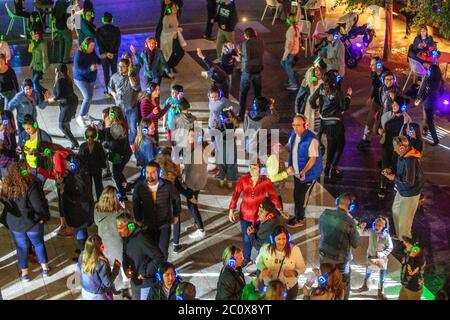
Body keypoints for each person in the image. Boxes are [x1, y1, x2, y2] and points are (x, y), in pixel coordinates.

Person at [0, 161, 50, 282]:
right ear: (25, 170)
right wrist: (43, 217)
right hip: (32, 222)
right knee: (38, 244)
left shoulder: (7, 185)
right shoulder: (31, 184)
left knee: (21, 247)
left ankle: (25, 274)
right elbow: (39, 206)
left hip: (15, 224)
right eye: (27, 167)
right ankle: (45, 270)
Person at [229, 162, 282, 266]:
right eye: (252, 168)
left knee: (259, 239)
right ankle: (247, 258)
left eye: (257, 169)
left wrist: (279, 208)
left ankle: (260, 260)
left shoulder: (266, 181)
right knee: (246, 237)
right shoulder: (243, 179)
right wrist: (231, 209)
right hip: (245, 216)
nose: (254, 171)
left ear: (260, 169)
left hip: (258, 218)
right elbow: (236, 194)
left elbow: (273, 196)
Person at [318, 192, 365, 300]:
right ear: (351, 206)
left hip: (323, 257)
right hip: (341, 262)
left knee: (324, 283)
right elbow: (355, 243)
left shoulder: (325, 214)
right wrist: (358, 230)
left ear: (338, 202)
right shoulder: (350, 222)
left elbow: (321, 231)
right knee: (342, 287)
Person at [132, 161, 181, 260]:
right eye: (147, 172)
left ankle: (163, 270)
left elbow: (176, 199)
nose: (149, 175)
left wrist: (176, 214)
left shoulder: (168, 186)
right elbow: (136, 203)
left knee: (163, 249)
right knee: (151, 249)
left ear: (158, 173)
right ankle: (153, 269)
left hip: (164, 224)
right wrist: (138, 219)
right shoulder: (140, 187)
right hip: (148, 224)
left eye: (152, 172)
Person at [310, 70, 352, 180]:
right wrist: (348, 96)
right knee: (340, 145)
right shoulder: (337, 91)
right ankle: (332, 169)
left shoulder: (322, 88)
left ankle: (327, 169)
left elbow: (311, 100)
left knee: (331, 146)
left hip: (325, 123)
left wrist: (316, 107)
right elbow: (344, 107)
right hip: (336, 124)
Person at [382, 136, 424, 240]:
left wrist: (393, 178)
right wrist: (391, 170)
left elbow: (409, 182)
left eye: (396, 148)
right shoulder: (403, 155)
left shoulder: (410, 159)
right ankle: (400, 236)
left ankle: (406, 244)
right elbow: (398, 168)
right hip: (402, 190)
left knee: (405, 221)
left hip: (410, 193)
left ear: (402, 148)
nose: (394, 150)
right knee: (395, 210)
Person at [116, 212, 165, 300]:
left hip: (145, 285)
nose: (118, 231)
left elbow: (159, 257)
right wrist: (126, 268)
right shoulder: (125, 237)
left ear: (130, 226)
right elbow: (124, 252)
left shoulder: (142, 238)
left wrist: (145, 272)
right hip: (135, 282)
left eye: (120, 228)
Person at [286, 114, 322, 227]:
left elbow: (313, 159)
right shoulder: (293, 134)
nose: (295, 128)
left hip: (308, 175)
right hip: (297, 172)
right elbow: (289, 146)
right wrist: (282, 148)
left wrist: (304, 171)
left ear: (305, 125)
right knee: (297, 194)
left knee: (301, 197)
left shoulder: (311, 139)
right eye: (294, 125)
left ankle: (300, 219)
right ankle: (298, 215)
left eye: (298, 125)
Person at [94, 186, 130, 297]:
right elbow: (130, 228)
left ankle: (114, 286)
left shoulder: (96, 208)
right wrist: (126, 211)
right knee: (123, 269)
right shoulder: (120, 213)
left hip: (104, 247)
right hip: (118, 247)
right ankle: (124, 288)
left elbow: (96, 223)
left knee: (110, 268)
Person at [57, 153, 94, 255]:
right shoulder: (78, 172)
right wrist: (64, 180)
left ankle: (83, 255)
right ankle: (84, 249)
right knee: (82, 231)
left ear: (72, 164)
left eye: (67, 163)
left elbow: (77, 195)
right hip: (81, 211)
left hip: (79, 211)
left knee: (80, 232)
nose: (65, 164)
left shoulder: (77, 177)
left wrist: (64, 192)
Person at [256, 226, 306, 300]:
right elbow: (258, 262)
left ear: (288, 238)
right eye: (278, 239)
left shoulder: (295, 250)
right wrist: (264, 269)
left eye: (284, 239)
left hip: (289, 288)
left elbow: (302, 268)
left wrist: (294, 273)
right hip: (270, 288)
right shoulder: (265, 248)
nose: (282, 242)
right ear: (273, 239)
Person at [378, 96, 412, 198]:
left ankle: (396, 185)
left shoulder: (406, 119)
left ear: (401, 106)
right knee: (385, 164)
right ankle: (382, 185)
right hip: (387, 144)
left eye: (396, 104)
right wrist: (380, 130)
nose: (393, 106)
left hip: (398, 148)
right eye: (393, 104)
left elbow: (409, 135)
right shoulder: (388, 116)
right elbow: (379, 126)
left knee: (396, 166)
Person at [356, 216, 393, 300]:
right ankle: (366, 286)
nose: (377, 226)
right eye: (376, 224)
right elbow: (362, 233)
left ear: (383, 226)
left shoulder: (386, 236)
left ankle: (381, 291)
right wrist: (361, 228)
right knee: (368, 272)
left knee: (382, 276)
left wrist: (383, 253)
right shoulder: (371, 231)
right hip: (370, 257)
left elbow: (390, 247)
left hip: (381, 260)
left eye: (379, 225)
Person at [357, 57, 390, 150]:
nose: (370, 66)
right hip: (376, 101)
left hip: (385, 105)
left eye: (372, 65)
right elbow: (373, 86)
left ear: (379, 65)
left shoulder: (387, 75)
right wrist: (371, 97)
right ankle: (366, 139)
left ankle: (386, 147)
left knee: (382, 125)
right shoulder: (374, 73)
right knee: (369, 120)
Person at [182, 128, 208, 239]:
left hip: (193, 183)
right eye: (190, 135)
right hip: (193, 181)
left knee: (192, 205)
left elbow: (196, 172)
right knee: (190, 204)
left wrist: (191, 189)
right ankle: (197, 224)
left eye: (193, 136)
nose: (190, 138)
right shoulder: (193, 147)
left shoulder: (197, 151)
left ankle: (201, 229)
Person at [108, 58, 141, 146]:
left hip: (132, 107)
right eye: (119, 66)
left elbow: (137, 88)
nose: (120, 68)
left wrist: (130, 76)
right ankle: (124, 143)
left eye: (123, 66)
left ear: (128, 67)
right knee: (121, 126)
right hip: (120, 108)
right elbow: (109, 88)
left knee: (133, 128)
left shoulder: (134, 75)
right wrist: (113, 94)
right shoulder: (115, 76)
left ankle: (131, 144)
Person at [102, 106, 132, 201]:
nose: (109, 116)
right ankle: (126, 187)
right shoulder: (121, 123)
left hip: (119, 156)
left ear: (115, 115)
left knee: (115, 175)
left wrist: (107, 126)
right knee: (118, 172)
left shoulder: (117, 126)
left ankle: (122, 195)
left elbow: (108, 142)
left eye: (111, 114)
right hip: (124, 153)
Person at [78, 234, 121, 300]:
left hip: (85, 291)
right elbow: (108, 283)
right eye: (101, 244)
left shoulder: (82, 255)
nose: (103, 246)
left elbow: (80, 271)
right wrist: (116, 268)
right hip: (97, 295)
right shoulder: (101, 263)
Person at [7, 79, 49, 144]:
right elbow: (9, 107)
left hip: (33, 121)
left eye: (30, 88)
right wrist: (7, 120)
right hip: (22, 123)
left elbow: (41, 106)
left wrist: (46, 100)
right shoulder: (19, 97)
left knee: (37, 136)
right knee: (23, 139)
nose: (28, 91)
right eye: (26, 89)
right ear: (23, 89)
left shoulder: (36, 94)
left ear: (32, 87)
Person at [48, 63, 79, 150]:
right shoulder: (67, 78)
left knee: (62, 125)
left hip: (67, 104)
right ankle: (67, 135)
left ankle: (75, 143)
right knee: (66, 121)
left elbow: (59, 95)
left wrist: (51, 100)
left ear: (56, 71)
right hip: (72, 101)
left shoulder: (60, 81)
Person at [73, 37, 101, 128]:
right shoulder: (79, 54)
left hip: (91, 78)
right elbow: (78, 69)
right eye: (91, 46)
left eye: (93, 46)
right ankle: (80, 116)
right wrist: (90, 69)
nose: (92, 48)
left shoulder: (92, 52)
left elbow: (97, 60)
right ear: (85, 45)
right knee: (87, 97)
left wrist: (103, 57)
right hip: (81, 79)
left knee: (90, 97)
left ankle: (85, 114)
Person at [238, 27, 264, 121]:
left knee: (243, 93)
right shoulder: (260, 41)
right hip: (258, 70)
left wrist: (240, 54)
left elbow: (246, 58)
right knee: (258, 93)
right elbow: (261, 53)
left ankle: (241, 114)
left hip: (248, 71)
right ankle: (259, 112)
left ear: (246, 35)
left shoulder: (245, 44)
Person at [415, 63, 444, 146]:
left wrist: (418, 99)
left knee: (428, 120)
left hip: (427, 103)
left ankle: (435, 139)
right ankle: (425, 131)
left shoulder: (427, 80)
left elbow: (422, 91)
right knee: (428, 119)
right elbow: (441, 92)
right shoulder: (440, 81)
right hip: (435, 104)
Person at [17, 114, 52, 182]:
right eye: (25, 129)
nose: (27, 131)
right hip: (27, 168)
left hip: (40, 169)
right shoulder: (23, 134)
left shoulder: (44, 136)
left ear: (35, 125)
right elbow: (20, 146)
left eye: (29, 128)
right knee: (27, 187)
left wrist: (37, 152)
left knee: (38, 187)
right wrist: (19, 150)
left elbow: (49, 151)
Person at [243, 96, 279, 163]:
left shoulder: (247, 114)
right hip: (261, 146)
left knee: (253, 165)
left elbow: (245, 129)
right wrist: (272, 108)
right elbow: (277, 118)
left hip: (249, 144)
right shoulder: (268, 119)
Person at [78, 126, 106, 201]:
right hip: (97, 169)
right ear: (96, 136)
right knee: (99, 185)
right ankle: (100, 200)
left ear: (85, 136)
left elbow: (79, 159)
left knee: (88, 186)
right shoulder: (98, 145)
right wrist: (103, 165)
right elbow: (103, 157)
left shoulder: (82, 146)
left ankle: (89, 200)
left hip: (86, 170)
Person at [97, 12, 121, 96]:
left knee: (106, 73)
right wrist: (113, 53)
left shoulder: (99, 30)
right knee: (115, 72)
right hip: (114, 55)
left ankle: (109, 90)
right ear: (112, 20)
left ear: (103, 20)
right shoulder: (116, 29)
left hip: (104, 55)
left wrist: (106, 53)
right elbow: (118, 43)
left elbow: (99, 44)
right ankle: (116, 88)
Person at [207, 85, 230, 174]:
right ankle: (217, 165)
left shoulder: (222, 102)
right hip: (211, 127)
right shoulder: (210, 98)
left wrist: (222, 120)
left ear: (219, 94)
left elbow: (228, 115)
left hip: (218, 129)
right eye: (212, 97)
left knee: (220, 149)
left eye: (215, 96)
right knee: (216, 148)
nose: (214, 99)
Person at [295, 65, 325, 132]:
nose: (318, 72)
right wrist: (297, 112)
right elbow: (298, 98)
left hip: (319, 110)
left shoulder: (322, 83)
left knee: (317, 128)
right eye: (316, 71)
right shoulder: (308, 84)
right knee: (308, 127)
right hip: (308, 110)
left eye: (318, 70)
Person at [215, 108, 239, 188]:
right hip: (231, 146)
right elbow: (237, 121)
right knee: (231, 164)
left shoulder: (221, 125)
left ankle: (221, 181)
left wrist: (216, 126)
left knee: (222, 164)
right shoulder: (234, 124)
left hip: (222, 146)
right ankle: (230, 183)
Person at [160, 2, 185, 72]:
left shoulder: (175, 15)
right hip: (168, 39)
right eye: (173, 8)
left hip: (174, 37)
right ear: (169, 9)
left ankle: (171, 65)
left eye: (175, 7)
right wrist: (176, 29)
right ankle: (167, 68)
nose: (175, 9)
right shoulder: (166, 18)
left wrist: (177, 29)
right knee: (170, 54)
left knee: (180, 52)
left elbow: (175, 26)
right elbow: (165, 29)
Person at [265, 143, 289, 208]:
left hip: (275, 189)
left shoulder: (275, 157)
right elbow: (273, 178)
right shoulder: (273, 159)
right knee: (273, 205)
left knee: (277, 199)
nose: (280, 146)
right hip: (274, 188)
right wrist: (286, 173)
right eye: (278, 145)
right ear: (273, 147)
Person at [281, 13, 301, 91]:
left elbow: (289, 45)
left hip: (290, 52)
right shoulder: (297, 27)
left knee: (284, 64)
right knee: (287, 65)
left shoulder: (290, 30)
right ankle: (291, 79)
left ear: (288, 20)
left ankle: (293, 84)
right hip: (295, 50)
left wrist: (284, 56)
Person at [29, 31, 48, 96]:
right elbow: (33, 56)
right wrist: (31, 64)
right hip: (35, 66)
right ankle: (39, 95)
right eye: (34, 35)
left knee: (34, 82)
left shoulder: (42, 44)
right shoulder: (34, 43)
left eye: (36, 35)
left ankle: (45, 91)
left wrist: (44, 68)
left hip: (40, 67)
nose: (34, 36)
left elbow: (44, 56)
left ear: (40, 36)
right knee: (35, 83)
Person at [0, 111, 17, 179]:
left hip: (6, 161)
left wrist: (2, 147)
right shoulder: (6, 130)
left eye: (1, 119)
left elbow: (11, 147)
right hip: (4, 161)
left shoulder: (8, 132)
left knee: (7, 180)